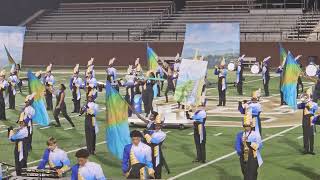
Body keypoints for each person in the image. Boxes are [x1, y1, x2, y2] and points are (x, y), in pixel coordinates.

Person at [234, 115, 263, 180]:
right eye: (245, 126)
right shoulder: (240, 134)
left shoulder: (255, 134)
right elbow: (237, 145)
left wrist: (250, 143)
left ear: (251, 125)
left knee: (251, 174)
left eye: (248, 126)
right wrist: (241, 154)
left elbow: (260, 146)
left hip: (253, 156)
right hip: (243, 157)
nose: (246, 127)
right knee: (245, 174)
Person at [143, 114, 168, 178]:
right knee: (149, 169)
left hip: (156, 152)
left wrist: (146, 134)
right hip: (148, 152)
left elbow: (155, 141)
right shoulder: (152, 131)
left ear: (161, 126)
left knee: (156, 168)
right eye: (156, 125)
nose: (157, 127)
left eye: (159, 125)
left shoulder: (163, 134)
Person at [297, 88, 318, 155]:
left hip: (311, 121)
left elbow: (315, 110)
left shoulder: (314, 104)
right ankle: (306, 149)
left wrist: (309, 105)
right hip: (305, 121)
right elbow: (298, 106)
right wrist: (304, 103)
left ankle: (311, 150)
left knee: (311, 136)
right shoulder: (304, 104)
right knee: (305, 135)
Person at [80, 90, 99, 155]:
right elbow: (80, 113)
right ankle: (88, 148)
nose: (89, 98)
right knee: (87, 134)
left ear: (93, 97)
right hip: (87, 119)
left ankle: (92, 149)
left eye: (90, 97)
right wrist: (82, 108)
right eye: (88, 97)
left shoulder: (96, 105)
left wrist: (87, 108)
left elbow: (94, 113)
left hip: (92, 120)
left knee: (92, 135)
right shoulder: (86, 104)